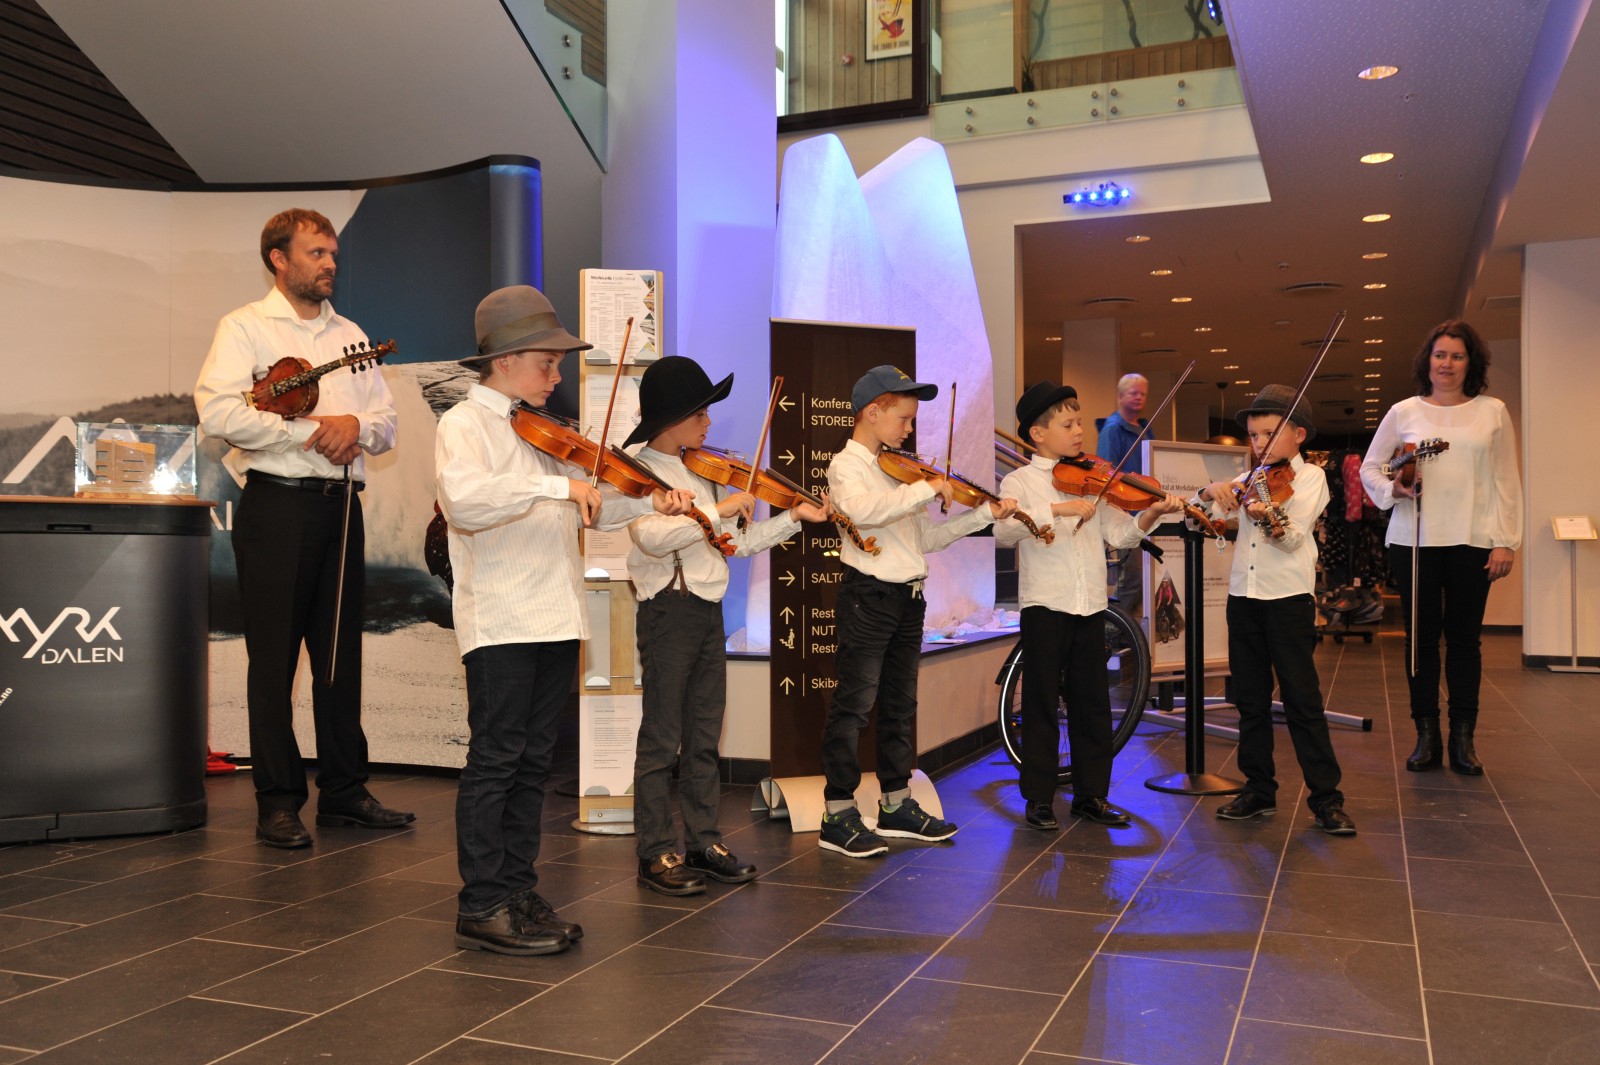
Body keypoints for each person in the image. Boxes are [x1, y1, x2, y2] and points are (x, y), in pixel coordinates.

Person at [434, 285, 691, 955]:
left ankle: (516, 888)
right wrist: (559, 484)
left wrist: (654, 499)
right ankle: (481, 900)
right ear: (508, 359)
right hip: (501, 619)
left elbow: (598, 501)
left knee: (530, 765)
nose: (556, 375)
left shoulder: (542, 433)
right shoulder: (465, 424)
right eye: (547, 363)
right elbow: (467, 501)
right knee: (496, 759)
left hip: (553, 615)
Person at [194, 208, 412, 850]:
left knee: (341, 658)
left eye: (334, 255)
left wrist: (356, 427)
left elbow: (386, 421)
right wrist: (312, 433)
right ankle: (279, 800)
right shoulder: (244, 328)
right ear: (278, 259)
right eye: (316, 253)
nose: (330, 265)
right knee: (274, 662)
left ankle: (344, 792)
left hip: (342, 507)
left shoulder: (352, 335)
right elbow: (218, 411)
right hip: (278, 506)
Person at [621, 357, 831, 896]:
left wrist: (790, 518)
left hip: (706, 609)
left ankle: (702, 841)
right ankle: (655, 852)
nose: (708, 423)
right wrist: (719, 511)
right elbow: (652, 538)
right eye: (701, 412)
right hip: (667, 610)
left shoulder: (700, 470)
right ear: (672, 418)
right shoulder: (637, 472)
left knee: (704, 737)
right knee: (662, 736)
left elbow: (736, 545)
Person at [818, 366, 1018, 857]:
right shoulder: (847, 466)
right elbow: (863, 511)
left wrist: (980, 516)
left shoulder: (896, 472)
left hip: (908, 597)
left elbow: (925, 538)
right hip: (869, 597)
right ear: (872, 412)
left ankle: (895, 804)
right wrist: (928, 487)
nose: (909, 430)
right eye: (903, 418)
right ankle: (837, 813)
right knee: (855, 705)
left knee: (899, 706)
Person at [998, 382, 1183, 830]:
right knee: (1042, 704)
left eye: (1079, 422)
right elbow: (1004, 534)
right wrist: (1061, 508)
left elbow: (1120, 534)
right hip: (1046, 604)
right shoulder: (1019, 481)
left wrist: (1153, 513)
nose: (1080, 431)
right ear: (1038, 434)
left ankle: (1091, 796)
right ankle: (1039, 798)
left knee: (1093, 704)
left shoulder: (1094, 477)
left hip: (1091, 605)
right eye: (1068, 424)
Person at [1360, 321, 1522, 775]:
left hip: (1474, 540)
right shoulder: (1403, 411)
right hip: (1413, 541)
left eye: (1456, 356)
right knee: (1421, 642)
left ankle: (1464, 740)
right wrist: (1397, 489)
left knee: (1466, 641)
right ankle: (1426, 736)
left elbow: (1506, 481)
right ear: (1426, 361)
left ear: (1471, 363)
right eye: (1439, 355)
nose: (1446, 364)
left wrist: (1506, 540)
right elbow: (1371, 470)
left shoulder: (1492, 411)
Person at [1197, 385, 1355, 835]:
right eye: (1253, 435)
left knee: (1302, 702)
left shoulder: (1310, 479)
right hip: (1243, 599)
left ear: (1299, 435)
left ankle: (1327, 799)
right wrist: (1210, 490)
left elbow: (1290, 538)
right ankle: (1258, 790)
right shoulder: (1248, 480)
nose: (1259, 444)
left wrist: (1265, 513)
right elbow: (1196, 513)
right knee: (1249, 701)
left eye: (1269, 434)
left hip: (1287, 601)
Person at [1098, 373, 1150, 617]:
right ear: (1120, 397)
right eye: (1133, 393)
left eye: (1142, 393)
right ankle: (1114, 632)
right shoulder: (1112, 430)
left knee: (1144, 581)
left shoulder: (1146, 429)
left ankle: (1135, 639)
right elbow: (1107, 475)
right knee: (1132, 579)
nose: (1139, 398)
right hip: (1126, 514)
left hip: (1148, 511)